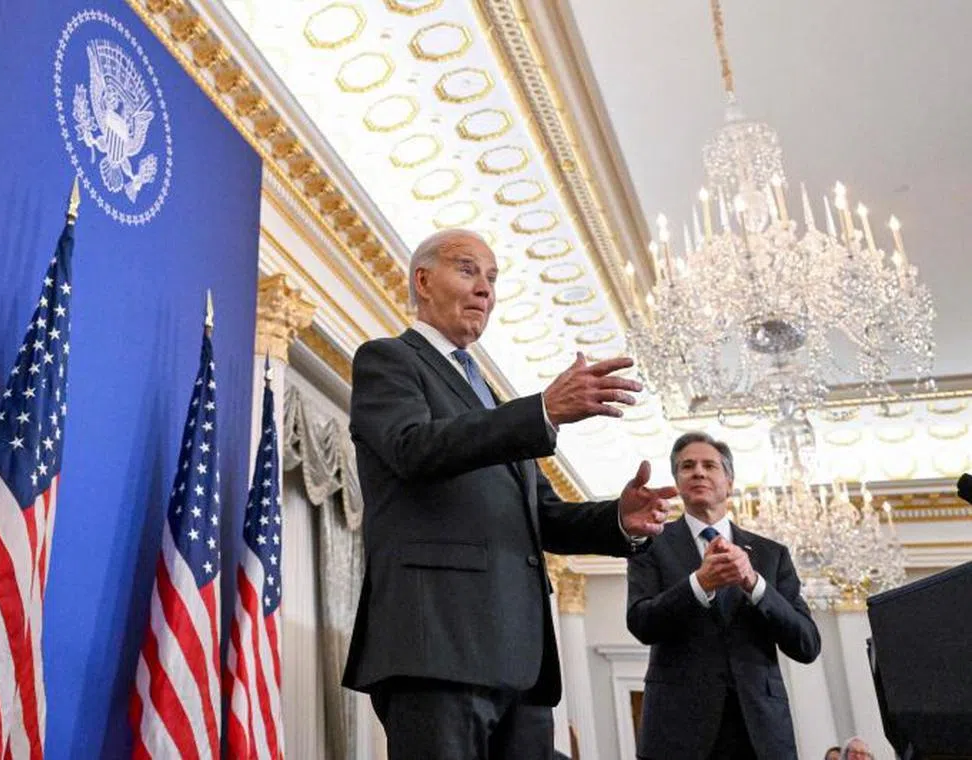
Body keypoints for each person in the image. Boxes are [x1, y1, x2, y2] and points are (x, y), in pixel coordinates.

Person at [341, 228, 677, 758]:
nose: (485, 289)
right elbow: (412, 448)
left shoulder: (490, 399)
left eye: (492, 278)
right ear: (423, 281)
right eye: (468, 269)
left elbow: (542, 514)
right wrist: (540, 410)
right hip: (438, 647)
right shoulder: (388, 359)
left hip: (521, 662)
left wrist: (619, 520)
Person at [627, 431, 822, 759]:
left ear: (729, 483)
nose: (698, 472)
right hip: (677, 730)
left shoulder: (771, 555)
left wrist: (755, 584)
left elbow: (807, 644)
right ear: (677, 483)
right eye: (687, 466)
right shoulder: (650, 544)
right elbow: (641, 622)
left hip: (761, 731)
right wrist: (698, 585)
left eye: (709, 466)